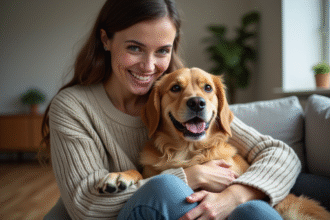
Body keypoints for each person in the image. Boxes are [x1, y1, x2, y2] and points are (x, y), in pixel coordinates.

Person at [42, 0, 305, 219]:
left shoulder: (184, 95)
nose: (148, 66)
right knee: (165, 187)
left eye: (162, 51)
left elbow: (280, 155)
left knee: (257, 211)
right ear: (106, 40)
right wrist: (189, 176)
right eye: (134, 48)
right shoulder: (72, 107)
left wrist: (234, 196)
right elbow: (87, 205)